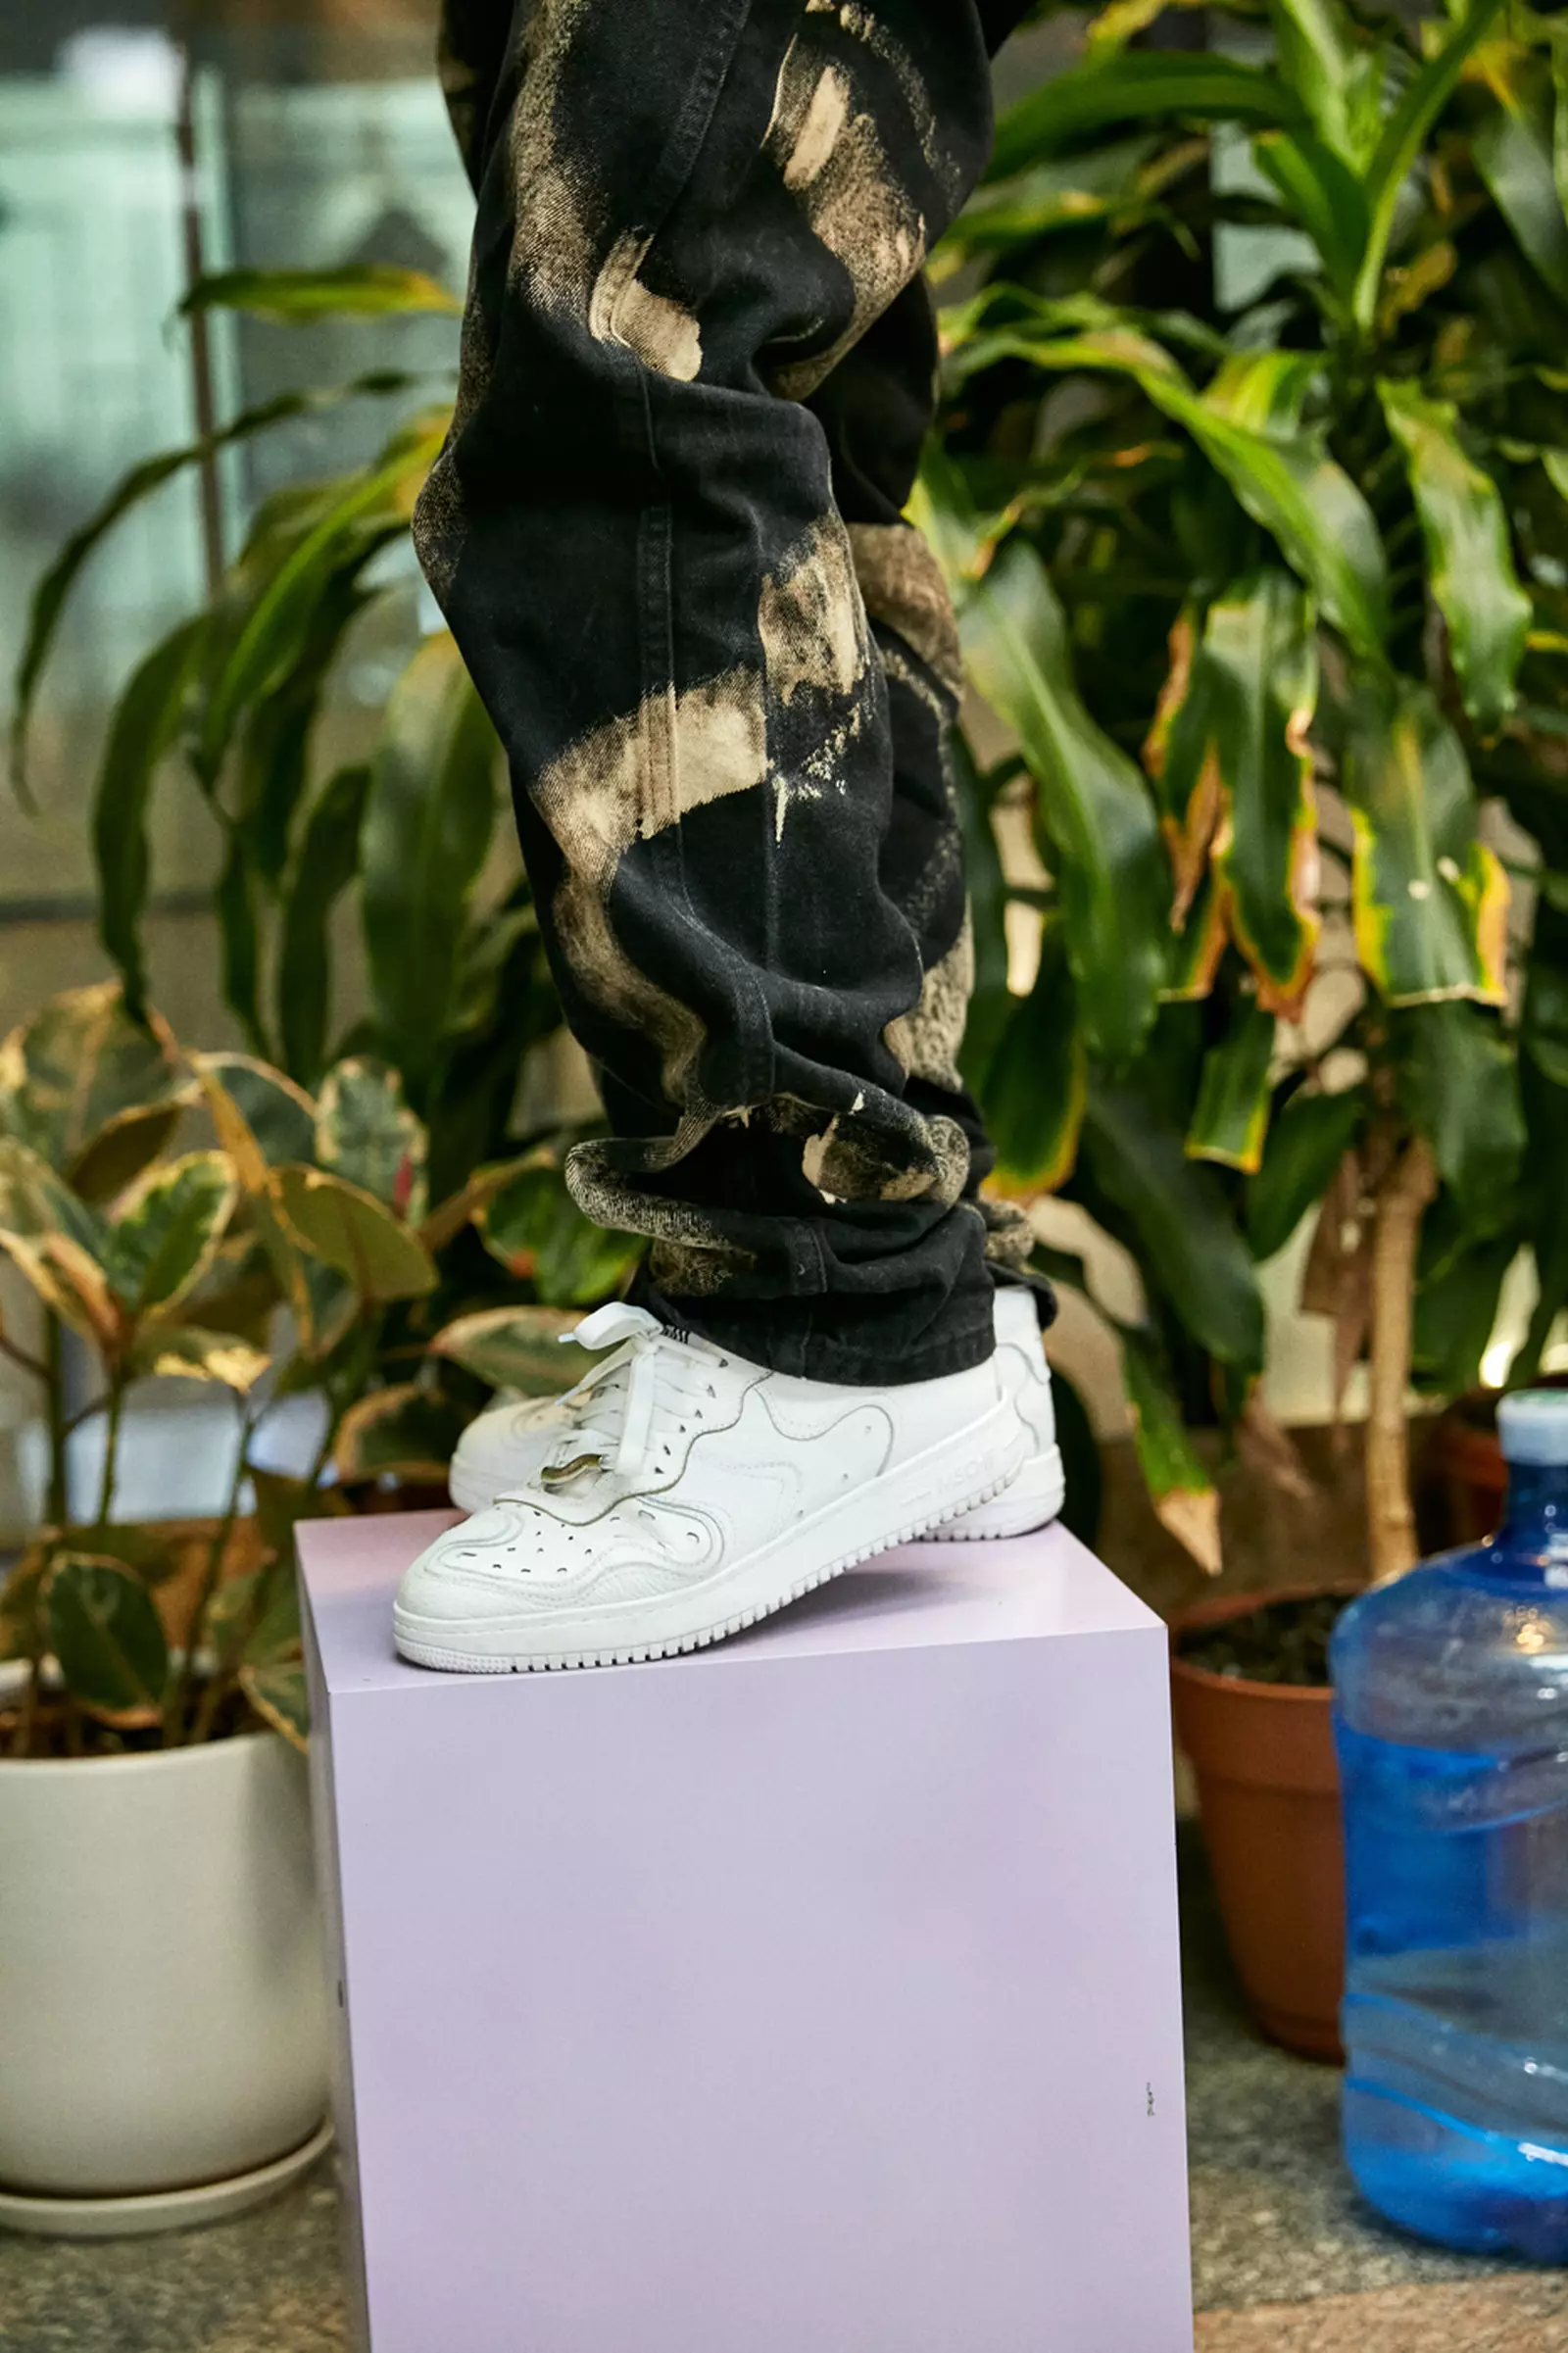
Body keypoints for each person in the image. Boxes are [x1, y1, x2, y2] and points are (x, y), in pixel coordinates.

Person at [393, 0, 1061, 1674]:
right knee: (782, 388)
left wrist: (822, 1269)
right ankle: (917, 1294)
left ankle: (824, 1301)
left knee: (629, 350)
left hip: (822, 1280)